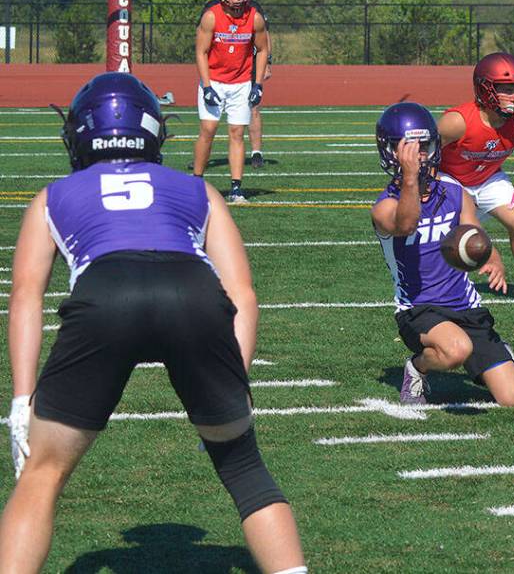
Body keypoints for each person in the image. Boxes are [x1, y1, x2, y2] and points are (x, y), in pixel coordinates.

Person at [1, 73, 306, 574]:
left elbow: (27, 297)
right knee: (243, 465)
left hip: (105, 295)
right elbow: (242, 294)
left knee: (42, 472)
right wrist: (238, 375)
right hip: (192, 292)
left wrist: (21, 398)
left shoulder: (52, 196)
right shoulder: (197, 188)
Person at [371, 102, 514, 407]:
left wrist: (490, 256)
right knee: (455, 349)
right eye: (408, 149)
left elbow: (472, 233)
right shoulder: (384, 207)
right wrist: (411, 178)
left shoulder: (455, 192)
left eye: (424, 146)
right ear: (391, 153)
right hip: (419, 308)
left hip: (465, 306)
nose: (418, 156)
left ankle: (488, 355)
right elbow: (407, 223)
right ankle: (417, 368)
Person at [437, 52, 514, 304]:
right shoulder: (457, 122)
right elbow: (427, 153)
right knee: (448, 239)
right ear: (484, 89)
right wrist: (433, 187)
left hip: (488, 177)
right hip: (451, 178)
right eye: (506, 89)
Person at [193, 0, 269, 203]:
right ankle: (196, 181)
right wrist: (206, 86)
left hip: (240, 83)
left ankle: (236, 188)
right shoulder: (211, 16)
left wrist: (257, 84)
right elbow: (201, 51)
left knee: (237, 133)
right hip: (214, 80)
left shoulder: (254, 17)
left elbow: (263, 48)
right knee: (208, 130)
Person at [198, 0, 273, 170]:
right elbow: (201, 38)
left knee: (251, 109)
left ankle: (256, 152)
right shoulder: (212, 9)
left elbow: (264, 38)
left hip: (245, 65)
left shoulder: (254, 11)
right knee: (208, 127)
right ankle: (200, 164)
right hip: (217, 71)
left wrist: (268, 61)